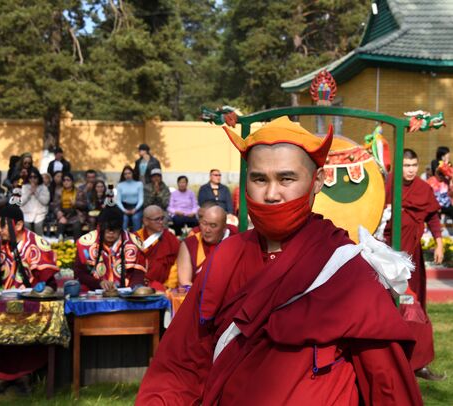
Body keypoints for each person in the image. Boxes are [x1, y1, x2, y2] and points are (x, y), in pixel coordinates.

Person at [137, 116, 422, 405]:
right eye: (259, 179)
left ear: (317, 181)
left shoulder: (348, 270)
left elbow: (388, 384)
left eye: (286, 179)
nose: (272, 194)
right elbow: (182, 360)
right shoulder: (228, 256)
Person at [0, 204, 60, 394]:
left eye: (3, 226)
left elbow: (49, 282)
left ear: (18, 225)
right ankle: (1, 375)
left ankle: (24, 374)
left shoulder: (36, 244)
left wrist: (40, 290)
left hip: (29, 305)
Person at [384, 148, 444, 380]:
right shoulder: (387, 187)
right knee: (388, 306)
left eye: (414, 165)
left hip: (412, 259)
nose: (410, 170)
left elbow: (432, 217)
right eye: (406, 165)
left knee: (414, 305)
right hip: (387, 258)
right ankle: (390, 359)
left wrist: (438, 242)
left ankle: (419, 363)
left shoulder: (422, 189)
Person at [74, 205, 147, 291]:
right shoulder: (86, 244)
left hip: (126, 291)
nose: (111, 233)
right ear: (100, 227)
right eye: (107, 229)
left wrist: (133, 288)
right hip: (94, 289)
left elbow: (138, 272)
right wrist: (98, 283)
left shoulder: (133, 242)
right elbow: (80, 273)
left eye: (115, 229)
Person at [177, 204, 227, 287]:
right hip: (198, 295)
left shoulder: (232, 239)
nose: (207, 230)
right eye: (204, 224)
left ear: (224, 228)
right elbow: (184, 282)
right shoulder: (190, 243)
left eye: (213, 225)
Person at [136, 205, 180, 290]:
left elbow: (176, 264)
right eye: (157, 219)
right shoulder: (135, 238)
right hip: (139, 287)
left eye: (162, 218)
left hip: (163, 287)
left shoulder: (170, 238)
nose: (161, 222)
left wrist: (168, 286)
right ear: (145, 221)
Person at [52, 172, 82, 240]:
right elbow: (55, 205)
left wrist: (75, 203)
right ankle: (60, 247)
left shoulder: (79, 191)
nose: (66, 182)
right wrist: (59, 213)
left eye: (68, 180)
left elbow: (84, 204)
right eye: (64, 180)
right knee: (60, 225)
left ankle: (77, 246)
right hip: (63, 214)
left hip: (75, 214)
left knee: (77, 225)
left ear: (72, 181)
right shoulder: (58, 191)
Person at [20, 169, 50, 236]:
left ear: (38, 178)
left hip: (40, 214)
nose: (33, 179)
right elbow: (21, 202)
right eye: (31, 177)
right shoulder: (24, 187)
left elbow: (45, 201)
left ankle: (40, 245)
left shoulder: (44, 188)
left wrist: (36, 193)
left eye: (35, 177)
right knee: (27, 226)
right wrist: (29, 193)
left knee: (38, 226)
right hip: (26, 213)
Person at [116, 165, 144, 231]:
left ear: (132, 173)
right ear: (123, 175)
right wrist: (124, 210)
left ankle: (136, 238)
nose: (127, 175)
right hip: (124, 207)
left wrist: (135, 209)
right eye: (125, 174)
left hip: (136, 207)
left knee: (136, 218)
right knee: (124, 219)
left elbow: (141, 199)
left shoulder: (139, 184)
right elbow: (118, 201)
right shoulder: (120, 185)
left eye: (129, 173)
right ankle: (124, 238)